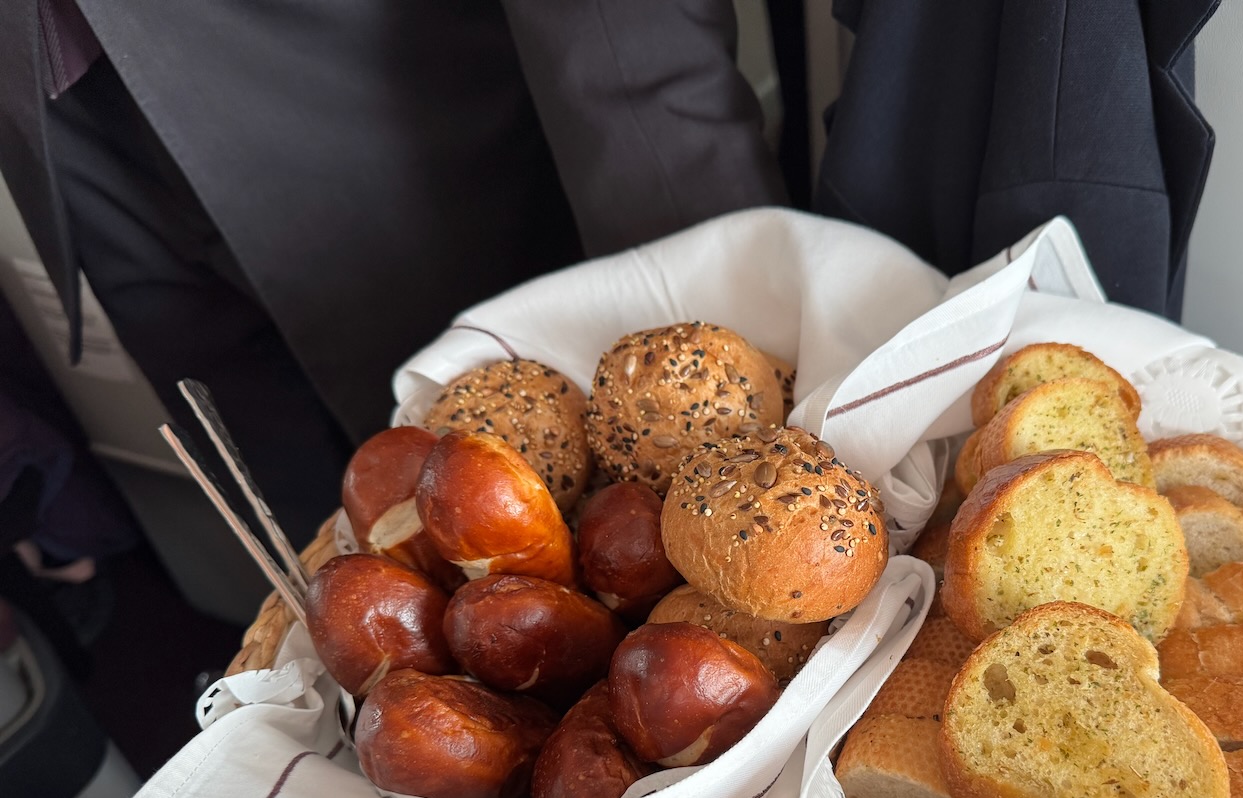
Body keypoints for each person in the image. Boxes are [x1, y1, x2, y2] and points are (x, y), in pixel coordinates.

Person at [0, 0, 786, 545]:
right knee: (336, 583)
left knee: (586, 545)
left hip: (399, 105)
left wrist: (717, 265)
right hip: (70, 125)